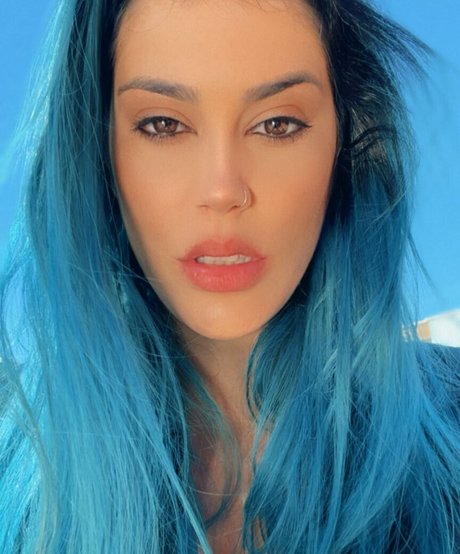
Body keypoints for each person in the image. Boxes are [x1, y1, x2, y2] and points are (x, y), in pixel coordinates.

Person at [0, 0, 459, 552]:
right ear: (99, 152)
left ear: (344, 143)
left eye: (277, 124)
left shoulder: (449, 418)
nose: (222, 189)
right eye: (164, 124)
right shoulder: (18, 466)